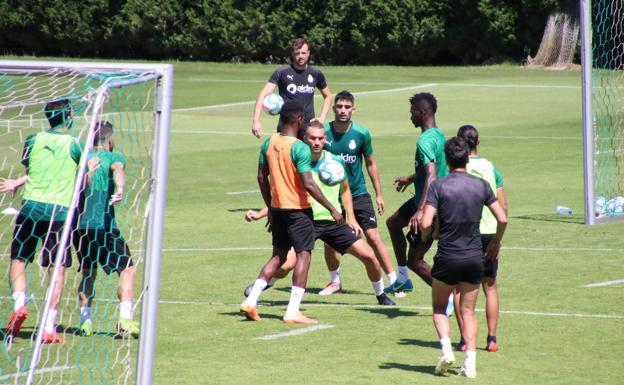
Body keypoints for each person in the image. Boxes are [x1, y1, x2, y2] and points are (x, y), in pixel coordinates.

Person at [244, 122, 396, 306]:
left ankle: (381, 295)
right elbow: (285, 194)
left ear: (326, 139)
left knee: (369, 257)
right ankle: (263, 285)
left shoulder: (335, 161)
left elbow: (345, 190)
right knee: (285, 265)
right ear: (304, 139)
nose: (317, 142)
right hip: (306, 220)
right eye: (312, 138)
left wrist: (351, 218)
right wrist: (262, 213)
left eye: (321, 138)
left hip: (333, 222)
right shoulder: (298, 162)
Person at [240, 101, 343, 324]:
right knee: (304, 255)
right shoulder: (299, 148)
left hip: (277, 210)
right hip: (298, 211)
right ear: (299, 120)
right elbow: (309, 184)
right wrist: (332, 208)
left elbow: (261, 177)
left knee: (278, 256)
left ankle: (251, 301)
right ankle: (292, 311)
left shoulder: (269, 142)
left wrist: (270, 207)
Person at [420, 136, 507, 378]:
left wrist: (431, 231)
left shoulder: (439, 186)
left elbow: (426, 222)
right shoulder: (481, 185)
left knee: (439, 307)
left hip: (448, 256)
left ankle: (446, 349)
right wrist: (495, 242)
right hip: (474, 257)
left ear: (446, 160)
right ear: (467, 158)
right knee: (468, 312)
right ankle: (470, 363)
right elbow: (503, 218)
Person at [0, 99, 82, 344]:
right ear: (68, 116)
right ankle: (48, 326)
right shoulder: (75, 144)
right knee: (56, 269)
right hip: (59, 213)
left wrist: (16, 182)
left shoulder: (33, 140)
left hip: (31, 208)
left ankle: (20, 305)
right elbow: (85, 173)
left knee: (18, 260)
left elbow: (34, 171)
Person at [318, 90, 397, 296]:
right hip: (332, 196)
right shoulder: (323, 133)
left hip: (358, 193)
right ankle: (335, 282)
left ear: (354, 109)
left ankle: (394, 281)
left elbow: (370, 163)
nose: (343, 110)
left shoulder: (362, 134)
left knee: (373, 235)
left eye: (347, 107)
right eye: (339, 106)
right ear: (333, 108)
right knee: (329, 241)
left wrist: (379, 194)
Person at [71, 121, 139, 337]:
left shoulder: (82, 157)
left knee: (88, 272)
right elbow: (118, 171)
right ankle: (125, 320)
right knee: (127, 269)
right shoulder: (114, 157)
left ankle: (85, 323)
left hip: (80, 225)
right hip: (105, 225)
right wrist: (119, 189)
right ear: (110, 140)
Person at [385, 92, 448, 296]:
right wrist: (411, 178)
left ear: (421, 113)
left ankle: (447, 297)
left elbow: (431, 175)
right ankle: (402, 279)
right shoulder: (438, 135)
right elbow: (431, 168)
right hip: (422, 198)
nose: (410, 116)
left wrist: (421, 211)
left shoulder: (424, 142)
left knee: (416, 261)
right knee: (393, 223)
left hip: (431, 204)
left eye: (412, 113)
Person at [453, 125, 508, 353]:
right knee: (490, 287)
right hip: (489, 232)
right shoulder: (490, 168)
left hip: (465, 234)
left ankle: (465, 340)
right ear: (479, 142)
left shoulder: (457, 168)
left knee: (459, 289)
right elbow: (502, 204)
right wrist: (498, 238)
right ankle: (492, 339)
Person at [251, 38, 332, 139]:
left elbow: (328, 96)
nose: (300, 56)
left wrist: (322, 118)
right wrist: (256, 121)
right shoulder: (282, 72)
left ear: (308, 53)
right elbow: (263, 95)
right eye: (297, 53)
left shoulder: (316, 74)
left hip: (307, 127)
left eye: (303, 53)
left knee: (306, 155)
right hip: (286, 125)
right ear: (292, 54)